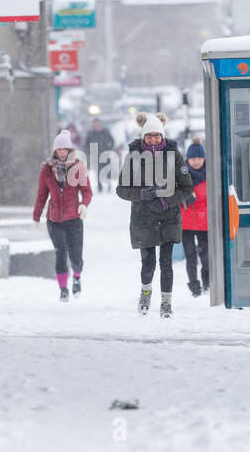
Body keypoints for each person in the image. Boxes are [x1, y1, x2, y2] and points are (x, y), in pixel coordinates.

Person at [116, 112, 194, 318]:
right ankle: (146, 291)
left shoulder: (174, 155)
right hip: (144, 219)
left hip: (168, 217)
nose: (153, 139)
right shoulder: (133, 157)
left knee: (167, 263)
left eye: (157, 136)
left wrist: (166, 200)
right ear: (143, 137)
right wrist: (142, 194)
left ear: (162, 136)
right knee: (148, 263)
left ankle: (166, 303)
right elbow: (121, 189)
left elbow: (187, 189)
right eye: (149, 136)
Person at [33, 129, 92, 301]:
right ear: (54, 151)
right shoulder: (47, 170)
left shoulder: (78, 167)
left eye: (65, 149)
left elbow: (87, 191)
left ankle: (77, 277)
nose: (62, 152)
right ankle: (63, 289)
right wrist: (36, 216)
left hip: (74, 219)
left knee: (76, 256)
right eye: (59, 149)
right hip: (54, 220)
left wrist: (83, 205)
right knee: (60, 253)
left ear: (70, 150)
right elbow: (42, 195)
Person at [181, 141, 209, 297]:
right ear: (188, 159)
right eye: (193, 158)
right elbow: (174, 194)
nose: (196, 161)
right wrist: (184, 198)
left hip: (205, 223)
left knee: (206, 256)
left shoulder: (211, 174)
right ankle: (194, 287)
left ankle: (208, 284)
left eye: (199, 157)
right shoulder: (181, 175)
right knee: (190, 256)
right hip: (187, 223)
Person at [83, 117, 116, 193]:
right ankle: (100, 187)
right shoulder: (90, 134)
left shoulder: (106, 132)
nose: (96, 126)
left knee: (108, 171)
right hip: (96, 156)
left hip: (106, 155)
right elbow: (86, 145)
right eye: (95, 125)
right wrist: (89, 152)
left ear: (101, 125)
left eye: (98, 124)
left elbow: (112, 141)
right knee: (98, 172)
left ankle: (108, 185)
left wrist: (109, 148)